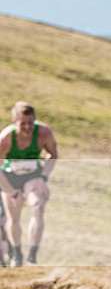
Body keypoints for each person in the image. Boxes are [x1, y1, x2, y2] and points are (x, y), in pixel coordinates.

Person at [0, 101, 58, 266]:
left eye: (31, 123)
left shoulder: (44, 133)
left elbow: (53, 155)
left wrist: (44, 177)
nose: (27, 127)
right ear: (14, 122)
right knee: (14, 217)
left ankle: (32, 256)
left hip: (33, 176)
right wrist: (11, 192)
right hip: (9, 178)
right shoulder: (5, 139)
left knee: (38, 207)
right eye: (23, 123)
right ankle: (16, 254)